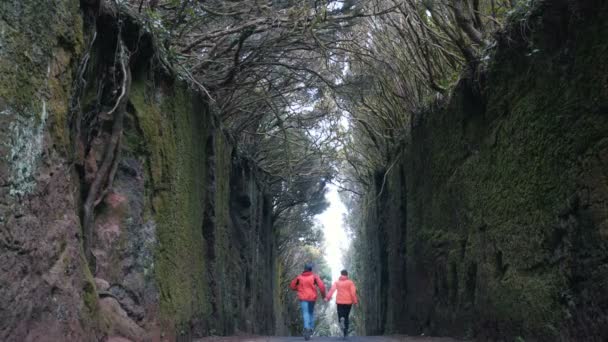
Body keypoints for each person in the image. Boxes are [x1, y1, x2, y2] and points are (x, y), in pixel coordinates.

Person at [290, 263, 326, 341]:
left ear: (304, 269)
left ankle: (306, 327)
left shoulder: (299, 278)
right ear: (311, 269)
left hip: (303, 298)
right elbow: (322, 287)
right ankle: (310, 329)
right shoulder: (314, 277)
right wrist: (323, 296)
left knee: (305, 313)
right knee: (311, 313)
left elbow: (292, 286)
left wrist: (299, 288)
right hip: (312, 298)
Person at [325, 269, 358, 339]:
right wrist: (355, 302)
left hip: (340, 302)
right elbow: (353, 293)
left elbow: (332, 290)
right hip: (348, 302)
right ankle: (345, 333)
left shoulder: (337, 282)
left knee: (340, 315)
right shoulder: (350, 282)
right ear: (347, 275)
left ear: (341, 274)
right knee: (346, 316)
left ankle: (341, 319)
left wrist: (327, 298)